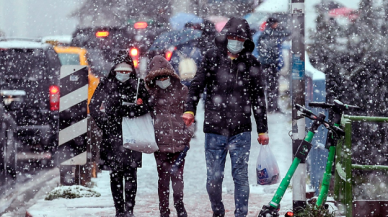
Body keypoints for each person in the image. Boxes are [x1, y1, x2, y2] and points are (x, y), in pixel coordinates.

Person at [182, 17, 270, 217]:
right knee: (214, 179)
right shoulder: (212, 57)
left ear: (246, 41)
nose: (236, 41)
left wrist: (263, 129)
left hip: (242, 130)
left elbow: (258, 99)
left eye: (240, 38)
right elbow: (197, 85)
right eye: (233, 37)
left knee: (240, 176)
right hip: (214, 129)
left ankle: (241, 214)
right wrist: (190, 110)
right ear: (225, 37)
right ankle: (218, 211)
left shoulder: (251, 63)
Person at [89, 50, 150, 217]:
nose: (123, 74)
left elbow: (148, 105)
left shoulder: (137, 84)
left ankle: (129, 210)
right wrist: (104, 122)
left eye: (126, 71)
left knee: (131, 173)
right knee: (115, 174)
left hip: (132, 134)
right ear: (114, 70)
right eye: (120, 71)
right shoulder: (106, 84)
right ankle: (119, 210)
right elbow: (93, 106)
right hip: (112, 134)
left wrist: (133, 110)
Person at [145, 55, 194, 217]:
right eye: (159, 77)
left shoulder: (182, 90)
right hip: (160, 143)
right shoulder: (150, 94)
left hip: (180, 141)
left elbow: (190, 115)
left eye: (165, 76)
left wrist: (187, 134)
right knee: (163, 179)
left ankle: (179, 205)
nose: (162, 80)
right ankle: (164, 209)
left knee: (178, 177)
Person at [257, 17, 290, 113]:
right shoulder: (271, 33)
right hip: (271, 64)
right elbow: (287, 33)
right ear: (273, 24)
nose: (277, 25)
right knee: (273, 86)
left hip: (266, 64)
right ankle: (273, 106)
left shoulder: (263, 34)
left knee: (269, 85)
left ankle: (271, 106)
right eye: (276, 23)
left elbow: (260, 49)